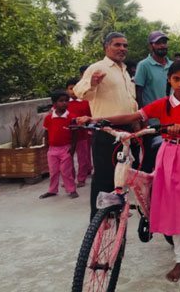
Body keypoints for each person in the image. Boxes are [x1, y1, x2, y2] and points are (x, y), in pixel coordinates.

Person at [76, 60, 180, 280]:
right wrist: (97, 119)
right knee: (173, 208)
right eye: (176, 79)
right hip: (169, 157)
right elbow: (132, 116)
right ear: (169, 79)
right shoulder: (163, 104)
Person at [73, 32, 139, 220]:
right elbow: (79, 91)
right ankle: (97, 219)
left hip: (127, 130)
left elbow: (130, 100)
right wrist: (92, 83)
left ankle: (115, 210)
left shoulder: (124, 71)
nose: (122, 49)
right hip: (107, 130)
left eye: (125, 45)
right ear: (106, 47)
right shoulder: (97, 68)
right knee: (104, 175)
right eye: (117, 45)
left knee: (122, 175)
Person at [135, 31, 173, 172]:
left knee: (170, 158)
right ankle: (148, 186)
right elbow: (138, 92)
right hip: (152, 122)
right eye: (158, 43)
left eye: (164, 42)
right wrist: (143, 118)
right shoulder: (144, 65)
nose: (162, 45)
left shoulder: (173, 65)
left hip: (172, 120)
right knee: (150, 160)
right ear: (151, 46)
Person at [39, 90, 78, 199]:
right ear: (54, 103)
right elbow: (46, 133)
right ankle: (52, 190)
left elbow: (75, 134)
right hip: (52, 149)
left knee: (66, 171)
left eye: (66, 100)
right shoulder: (48, 118)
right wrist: (47, 147)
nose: (64, 103)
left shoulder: (71, 117)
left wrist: (72, 148)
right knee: (53, 171)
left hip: (66, 148)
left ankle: (71, 189)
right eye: (61, 101)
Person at [66, 77, 92, 187]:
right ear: (67, 90)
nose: (73, 91)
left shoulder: (86, 103)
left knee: (83, 158)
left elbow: (90, 117)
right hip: (68, 136)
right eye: (71, 88)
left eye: (76, 88)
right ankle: (70, 178)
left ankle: (81, 178)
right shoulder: (64, 103)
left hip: (82, 135)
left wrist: (89, 129)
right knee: (68, 158)